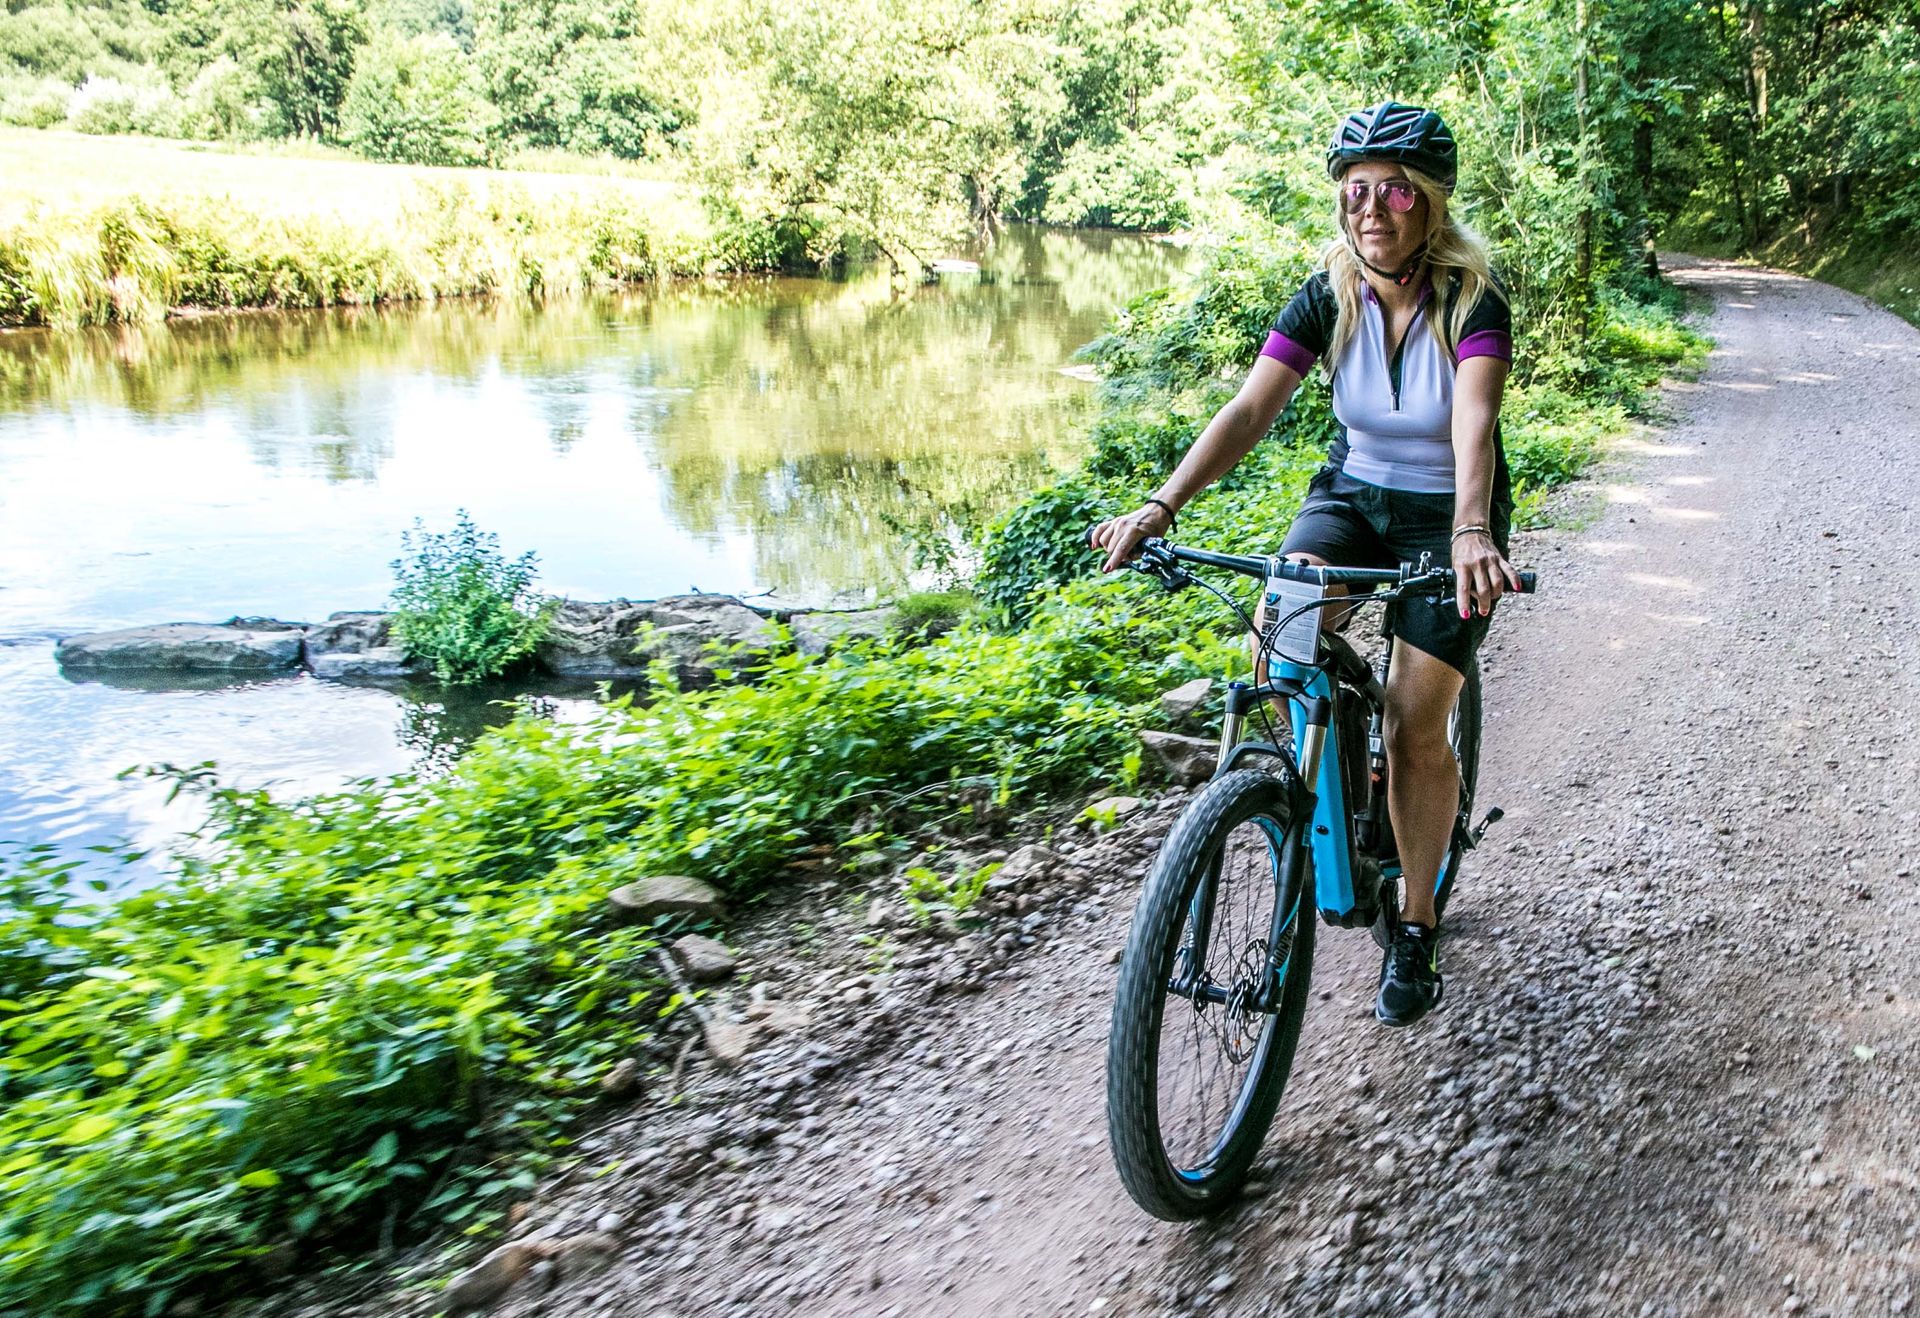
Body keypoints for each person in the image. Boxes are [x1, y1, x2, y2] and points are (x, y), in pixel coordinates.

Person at [1089, 101, 1524, 1028]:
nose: (1373, 208)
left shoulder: (1473, 302)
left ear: (1432, 204)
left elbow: (1474, 423)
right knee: (1278, 647)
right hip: (1352, 498)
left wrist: (1472, 531)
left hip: (1450, 514)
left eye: (1396, 190)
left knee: (1414, 722)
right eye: (1356, 190)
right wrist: (1162, 504)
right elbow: (1251, 409)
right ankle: (1330, 778)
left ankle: (1413, 921)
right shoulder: (1327, 295)